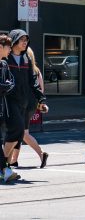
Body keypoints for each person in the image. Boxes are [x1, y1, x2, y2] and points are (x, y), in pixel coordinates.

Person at [5, 30, 48, 169]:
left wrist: (41, 100)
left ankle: (5, 163)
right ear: (14, 41)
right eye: (22, 40)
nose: (25, 43)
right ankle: (5, 162)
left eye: (26, 40)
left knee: (17, 133)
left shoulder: (26, 59)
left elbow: (33, 82)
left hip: (22, 102)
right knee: (17, 130)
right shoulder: (6, 58)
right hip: (8, 101)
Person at [0, 34, 20, 183]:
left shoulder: (4, 64)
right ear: (1, 47)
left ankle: (5, 170)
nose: (9, 50)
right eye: (8, 47)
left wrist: (6, 86)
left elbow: (11, 83)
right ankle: (5, 170)